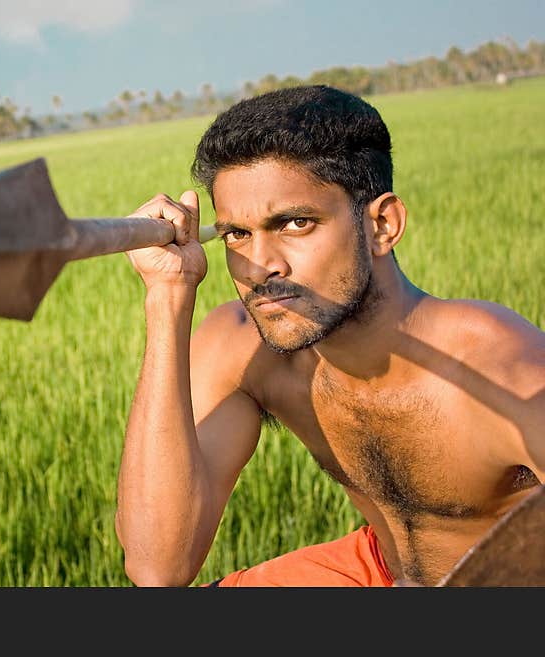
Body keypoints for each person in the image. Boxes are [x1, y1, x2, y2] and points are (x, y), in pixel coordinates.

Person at [115, 85, 544, 587]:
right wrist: (167, 297)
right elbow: (156, 567)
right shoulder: (243, 347)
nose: (262, 267)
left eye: (296, 223)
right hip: (377, 570)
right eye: (237, 234)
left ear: (382, 224)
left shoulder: (506, 370)